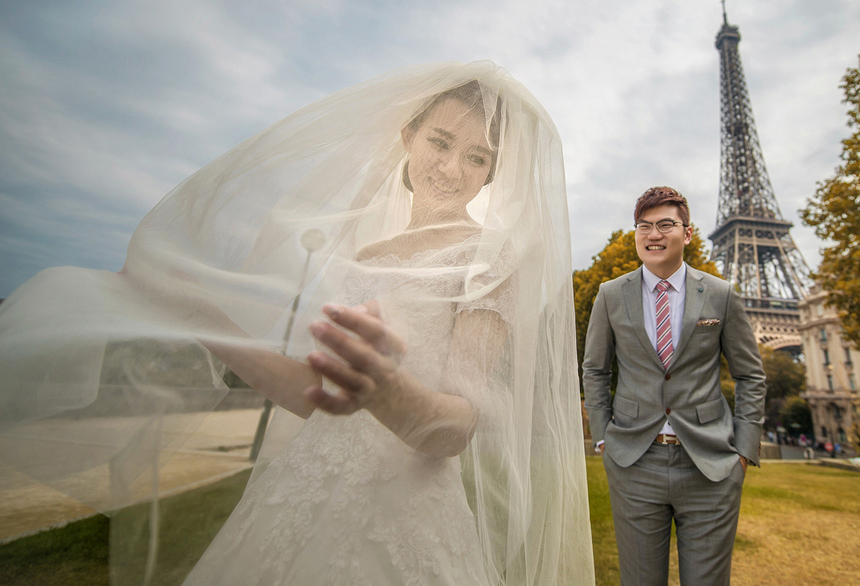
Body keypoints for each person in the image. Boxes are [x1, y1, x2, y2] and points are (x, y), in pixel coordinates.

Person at [0, 62, 594, 585]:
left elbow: (457, 428)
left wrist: (386, 389)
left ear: (491, 173)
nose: (452, 167)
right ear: (408, 137)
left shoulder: (490, 259)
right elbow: (314, 395)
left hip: (404, 508)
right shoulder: (368, 255)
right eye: (439, 142)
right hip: (300, 485)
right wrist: (201, 317)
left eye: (476, 157)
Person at [582, 186, 766, 586]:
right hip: (634, 462)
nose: (654, 234)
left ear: (688, 233)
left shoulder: (720, 294)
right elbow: (595, 370)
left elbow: (750, 375)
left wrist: (744, 451)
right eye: (644, 226)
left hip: (710, 465)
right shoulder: (610, 295)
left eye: (666, 224)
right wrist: (603, 438)